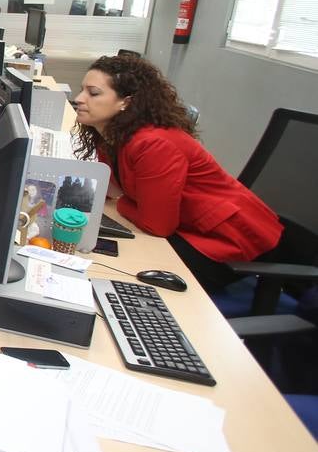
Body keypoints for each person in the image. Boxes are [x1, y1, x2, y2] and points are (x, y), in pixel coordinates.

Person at [73, 55, 284, 292]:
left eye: (93, 93)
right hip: (187, 225)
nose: (79, 99)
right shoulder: (113, 136)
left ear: (126, 103)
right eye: (82, 90)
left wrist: (124, 203)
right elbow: (112, 189)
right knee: (103, 251)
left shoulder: (154, 144)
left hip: (228, 237)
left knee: (131, 273)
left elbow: (156, 225)